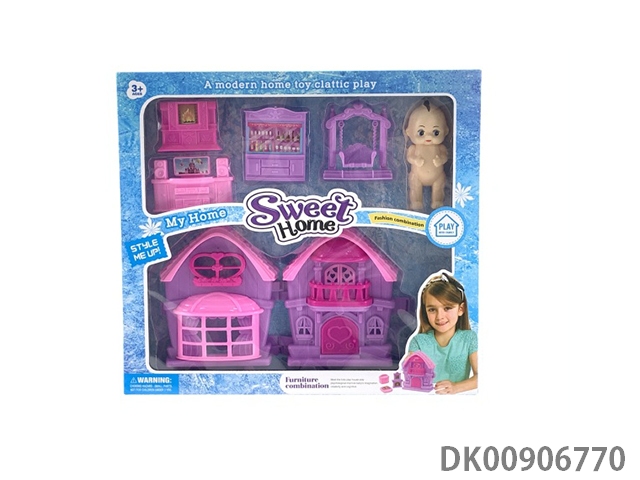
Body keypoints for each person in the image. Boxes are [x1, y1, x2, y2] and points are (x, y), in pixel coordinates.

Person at [406, 270, 477, 394]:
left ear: (461, 309)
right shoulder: (418, 342)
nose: (440, 316)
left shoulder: (469, 339)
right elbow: (408, 373)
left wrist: (455, 388)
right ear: (425, 311)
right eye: (432, 309)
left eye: (447, 308)